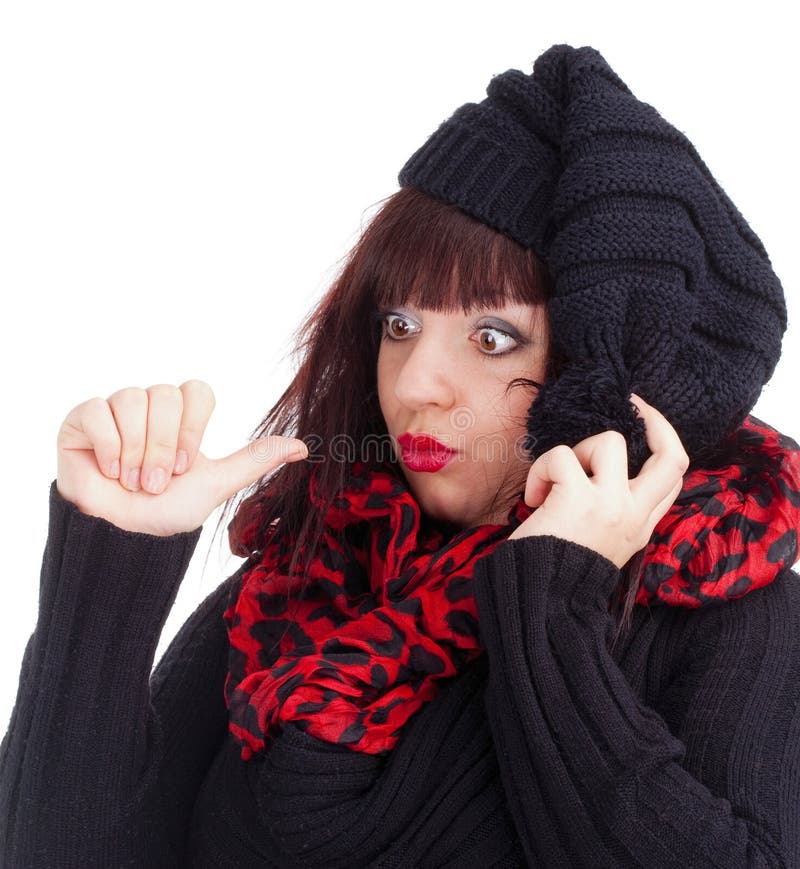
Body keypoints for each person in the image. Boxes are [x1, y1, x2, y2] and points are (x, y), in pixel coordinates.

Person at [1, 41, 799, 869]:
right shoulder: (310, 580)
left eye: (493, 337)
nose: (417, 381)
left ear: (616, 377)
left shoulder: (729, 614)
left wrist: (552, 610)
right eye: (400, 324)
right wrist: (112, 566)